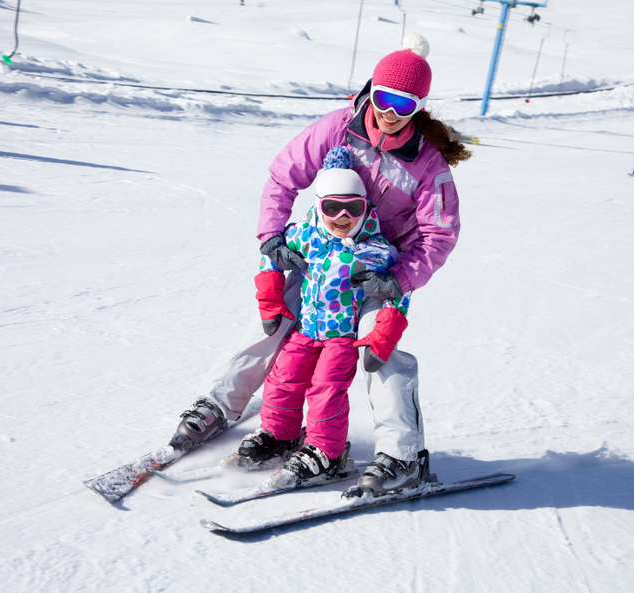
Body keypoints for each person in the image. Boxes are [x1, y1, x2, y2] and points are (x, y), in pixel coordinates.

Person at [169, 33, 471, 497]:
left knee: (379, 350)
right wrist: (272, 235)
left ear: (420, 108)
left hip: (379, 271)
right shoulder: (337, 127)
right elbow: (283, 175)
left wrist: (399, 278)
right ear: (372, 89)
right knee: (273, 320)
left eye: (405, 104)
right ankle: (219, 405)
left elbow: (439, 233)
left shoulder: (428, 165)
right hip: (322, 253)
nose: (391, 112)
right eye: (385, 98)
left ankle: (402, 456)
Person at [230, 147, 412, 487]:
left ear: (365, 207)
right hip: (306, 330)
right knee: (283, 378)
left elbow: (398, 290)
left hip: (343, 337)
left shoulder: (374, 249)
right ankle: (279, 435)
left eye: (353, 207)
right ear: (318, 205)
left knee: (326, 388)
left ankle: (326, 451)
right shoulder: (305, 236)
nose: (342, 216)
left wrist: (384, 332)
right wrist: (270, 296)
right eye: (332, 207)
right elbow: (270, 254)